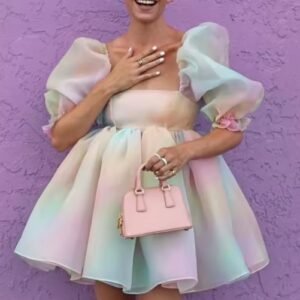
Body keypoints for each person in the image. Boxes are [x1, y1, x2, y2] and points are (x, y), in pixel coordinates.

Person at [14, 0, 270, 299]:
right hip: (109, 198)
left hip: (168, 195)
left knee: (163, 289)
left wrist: (186, 151)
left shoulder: (192, 52)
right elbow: (61, 137)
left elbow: (231, 129)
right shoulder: (99, 57)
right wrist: (111, 83)